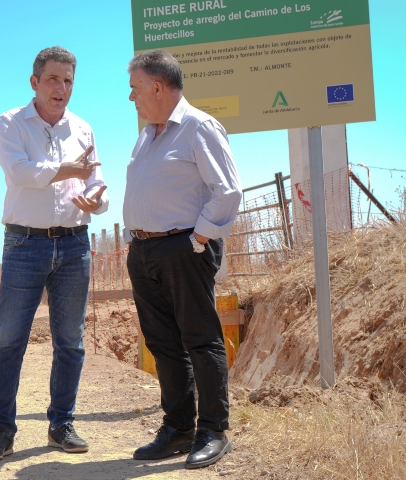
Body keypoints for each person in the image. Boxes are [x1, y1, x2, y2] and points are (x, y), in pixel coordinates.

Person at [0, 46, 109, 461]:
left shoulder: (84, 128)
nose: (62, 88)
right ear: (34, 82)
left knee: (70, 341)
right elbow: (19, 172)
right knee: (8, 342)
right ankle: (1, 430)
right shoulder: (11, 122)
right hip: (24, 244)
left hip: (74, 243)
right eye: (53, 79)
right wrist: (71, 171)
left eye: (68, 80)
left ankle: (61, 424)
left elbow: (96, 185)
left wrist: (96, 201)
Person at [123, 50, 242, 469]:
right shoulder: (147, 135)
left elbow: (226, 189)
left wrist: (199, 238)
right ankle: (178, 429)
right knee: (163, 343)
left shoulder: (198, 126)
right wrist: (133, 239)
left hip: (183, 248)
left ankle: (213, 429)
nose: (131, 97)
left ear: (157, 86)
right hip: (145, 252)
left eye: (135, 87)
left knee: (199, 339)